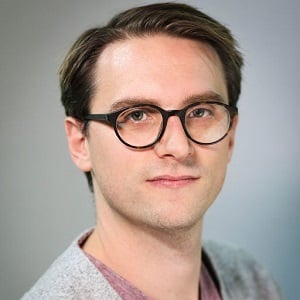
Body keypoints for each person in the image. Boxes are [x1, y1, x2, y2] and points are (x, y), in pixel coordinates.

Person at [22, 2, 282, 299]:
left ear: (230, 136)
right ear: (81, 143)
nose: (179, 147)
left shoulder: (253, 280)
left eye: (200, 112)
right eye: (136, 115)